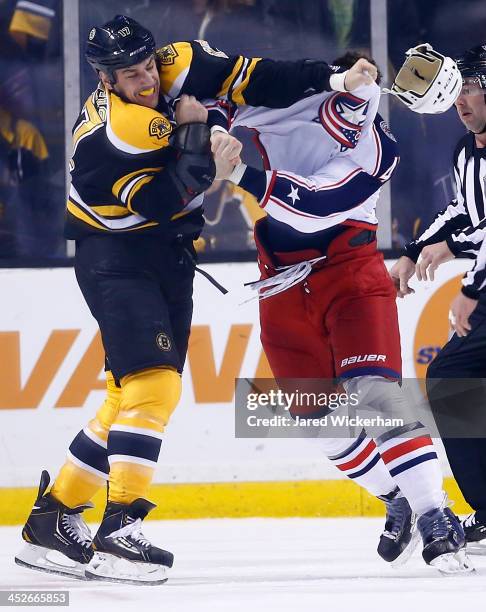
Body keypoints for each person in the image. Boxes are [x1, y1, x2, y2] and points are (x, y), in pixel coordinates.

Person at [14, 15, 378, 584]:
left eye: (145, 66)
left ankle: (53, 517)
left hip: (165, 255)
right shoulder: (121, 129)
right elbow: (165, 196)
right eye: (129, 75)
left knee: (127, 394)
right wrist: (196, 129)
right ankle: (119, 528)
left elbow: (254, 76)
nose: (145, 81)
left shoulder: (176, 63)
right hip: (116, 256)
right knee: (154, 385)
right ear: (106, 79)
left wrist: (333, 78)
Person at [217, 48, 471, 573]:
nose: (361, 88)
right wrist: (213, 127)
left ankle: (434, 512)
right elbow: (208, 98)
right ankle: (395, 498)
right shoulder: (282, 104)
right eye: (354, 76)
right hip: (281, 284)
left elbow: (313, 208)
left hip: (351, 275)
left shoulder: (381, 148)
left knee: (377, 395)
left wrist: (237, 169)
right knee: (316, 418)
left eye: (368, 82)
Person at [389, 43, 486, 549]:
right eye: (459, 89)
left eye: (472, 88)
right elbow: (465, 212)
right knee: (453, 379)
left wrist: (471, 286)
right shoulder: (468, 151)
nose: (461, 101)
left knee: (453, 378)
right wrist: (417, 248)